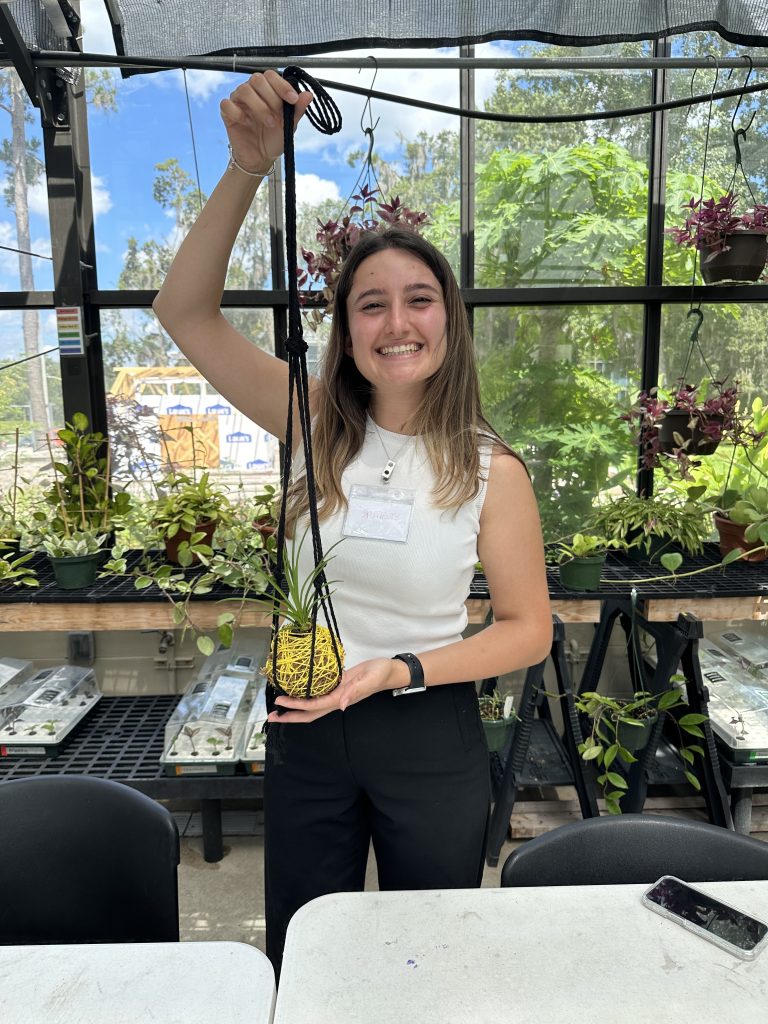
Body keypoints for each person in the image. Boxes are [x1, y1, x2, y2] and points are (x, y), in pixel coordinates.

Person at [153, 70, 552, 975]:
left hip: (425, 720)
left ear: (449, 319)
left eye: (419, 298)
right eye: (371, 303)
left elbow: (529, 631)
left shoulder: (490, 468)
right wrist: (247, 170)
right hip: (306, 720)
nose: (396, 321)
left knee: (428, 955)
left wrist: (394, 671)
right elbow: (182, 312)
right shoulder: (308, 423)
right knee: (307, 949)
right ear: (345, 328)